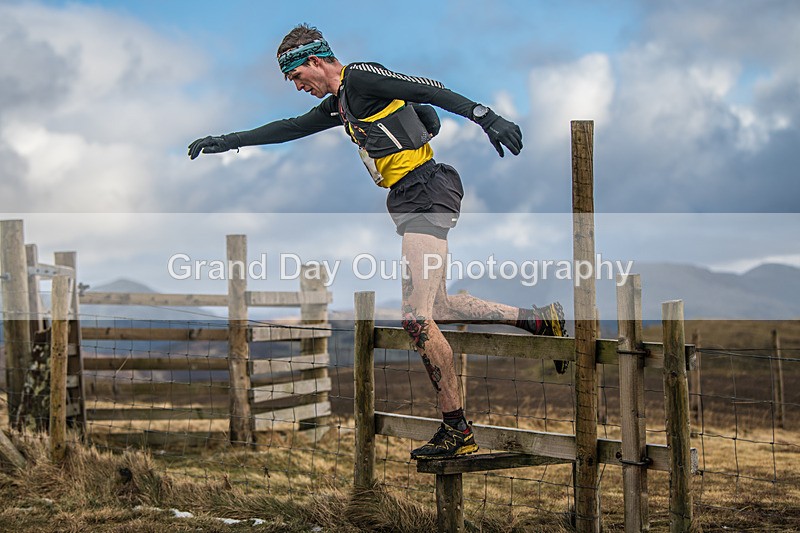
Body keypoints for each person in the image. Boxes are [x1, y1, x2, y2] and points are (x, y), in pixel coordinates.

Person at [188, 24, 567, 460]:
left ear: (313, 61)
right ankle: (538, 320)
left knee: (415, 319)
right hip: (409, 196)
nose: (297, 87)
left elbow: (430, 89)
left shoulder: (361, 78)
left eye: (296, 77)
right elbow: (290, 128)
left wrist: (485, 117)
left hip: (426, 188)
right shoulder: (343, 104)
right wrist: (228, 141)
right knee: (437, 308)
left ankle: (457, 429)